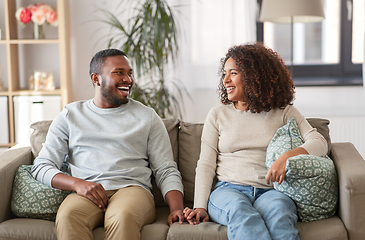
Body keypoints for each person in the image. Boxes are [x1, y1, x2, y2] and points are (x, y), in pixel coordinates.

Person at [31, 48, 185, 240]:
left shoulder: (147, 117)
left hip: (132, 190)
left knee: (122, 216)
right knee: (68, 216)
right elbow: (41, 167)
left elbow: (166, 169)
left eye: (130, 73)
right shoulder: (70, 115)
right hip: (86, 191)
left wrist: (177, 208)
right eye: (119, 72)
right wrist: (78, 184)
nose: (128, 79)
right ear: (96, 79)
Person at [183, 42, 328, 240]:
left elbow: (319, 142)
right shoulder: (217, 115)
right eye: (224, 73)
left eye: (232, 73)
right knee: (241, 214)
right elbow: (206, 164)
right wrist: (199, 205)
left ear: (254, 76)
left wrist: (287, 156)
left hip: (270, 191)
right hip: (228, 190)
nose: (225, 80)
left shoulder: (284, 112)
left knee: (280, 215)